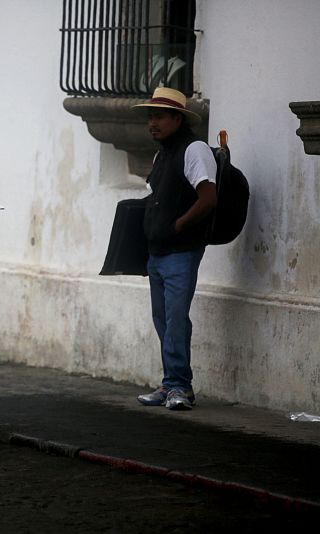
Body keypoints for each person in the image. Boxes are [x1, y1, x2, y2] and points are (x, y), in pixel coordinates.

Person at [133, 87, 217, 411]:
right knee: (163, 320)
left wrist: (177, 226)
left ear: (176, 119)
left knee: (176, 319)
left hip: (181, 251)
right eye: (149, 117)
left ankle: (181, 387)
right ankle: (170, 385)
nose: (152, 123)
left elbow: (209, 198)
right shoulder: (162, 153)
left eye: (158, 116)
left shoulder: (193, 150)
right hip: (157, 253)